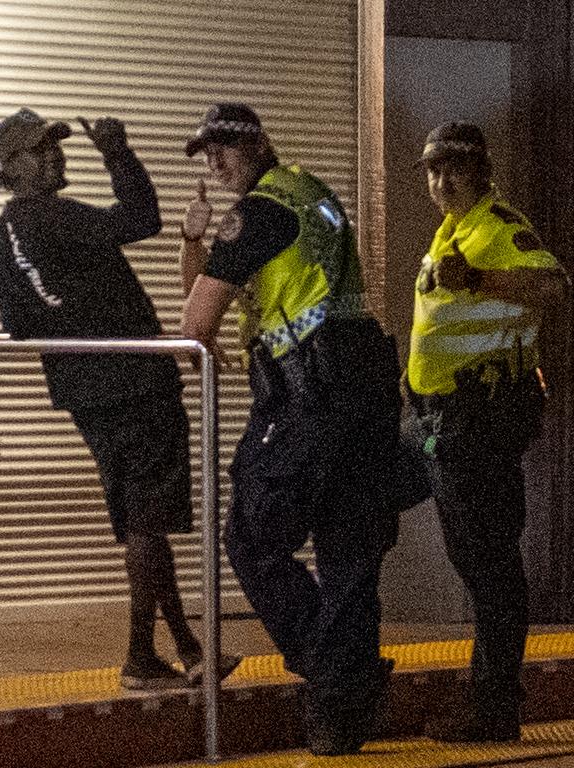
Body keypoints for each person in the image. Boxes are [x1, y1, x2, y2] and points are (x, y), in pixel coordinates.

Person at [0, 107, 239, 691]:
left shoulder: (7, 235)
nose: (55, 156)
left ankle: (181, 649)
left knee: (140, 524)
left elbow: (21, 325)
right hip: (132, 384)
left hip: (86, 393)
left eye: (56, 145)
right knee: (147, 521)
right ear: (11, 167)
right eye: (39, 150)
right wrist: (117, 152)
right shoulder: (51, 217)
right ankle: (144, 657)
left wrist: (75, 327)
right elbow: (141, 218)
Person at [178, 103, 401, 756]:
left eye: (225, 147)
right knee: (348, 552)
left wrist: (198, 336)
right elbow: (211, 294)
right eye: (206, 152)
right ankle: (342, 715)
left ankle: (339, 676)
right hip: (362, 388)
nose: (215, 162)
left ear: (258, 144)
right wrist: (195, 240)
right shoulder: (311, 192)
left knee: (251, 538)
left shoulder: (259, 212)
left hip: (309, 396)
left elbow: (195, 325)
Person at [405, 122, 567, 742]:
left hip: (479, 422)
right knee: (371, 507)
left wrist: (478, 279)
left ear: (482, 173)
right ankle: (356, 672)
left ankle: (495, 708)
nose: (441, 182)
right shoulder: (451, 230)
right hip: (436, 419)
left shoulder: (499, 228)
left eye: (455, 170)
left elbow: (554, 285)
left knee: (489, 565)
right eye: (433, 170)